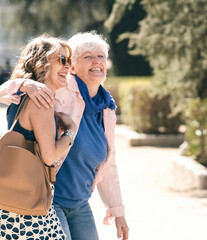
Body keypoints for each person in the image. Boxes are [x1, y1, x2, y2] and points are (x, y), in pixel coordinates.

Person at [0, 31, 129, 240]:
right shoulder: (57, 89)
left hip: (80, 201)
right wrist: (24, 84)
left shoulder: (107, 107)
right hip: (49, 199)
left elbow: (108, 163)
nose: (97, 61)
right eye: (87, 56)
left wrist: (118, 210)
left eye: (101, 56)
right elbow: (8, 92)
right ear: (75, 68)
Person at [0, 35, 75, 239]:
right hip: (28, 210)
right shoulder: (42, 100)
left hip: (9, 201)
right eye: (61, 60)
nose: (68, 66)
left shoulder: (23, 95)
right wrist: (70, 132)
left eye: (69, 61)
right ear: (42, 61)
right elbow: (49, 156)